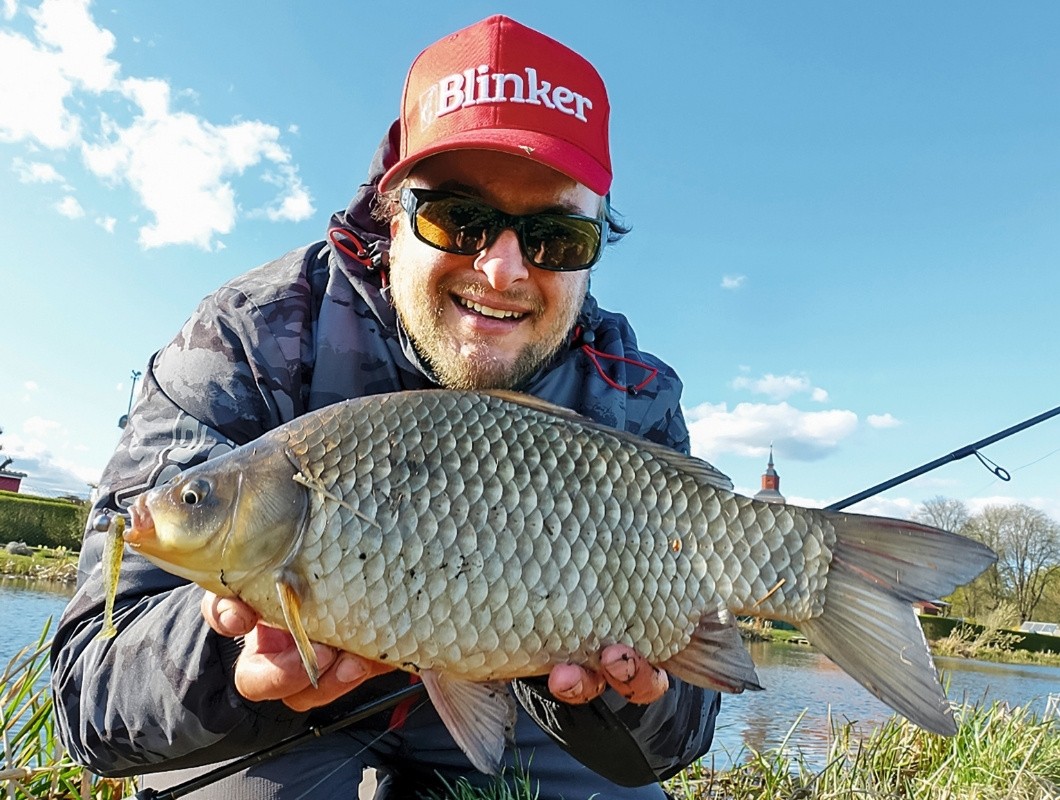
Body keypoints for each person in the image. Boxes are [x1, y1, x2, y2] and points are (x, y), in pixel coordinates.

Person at [51, 15, 722, 799]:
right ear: (391, 213)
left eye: (556, 236)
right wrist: (235, 667)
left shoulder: (630, 395)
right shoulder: (250, 337)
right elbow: (87, 694)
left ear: (595, 246)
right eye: (459, 219)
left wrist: (606, 685)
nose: (502, 269)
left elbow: (681, 736)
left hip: (529, 728)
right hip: (277, 739)